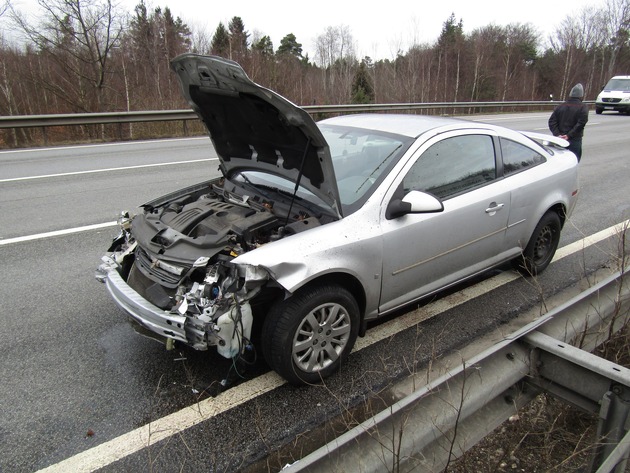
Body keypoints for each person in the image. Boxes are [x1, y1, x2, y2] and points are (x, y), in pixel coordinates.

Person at [548, 83, 589, 162]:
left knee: (559, 162)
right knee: (574, 162)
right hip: (574, 140)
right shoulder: (583, 107)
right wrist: (569, 135)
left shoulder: (560, 106)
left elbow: (552, 121)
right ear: (581, 96)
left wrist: (557, 134)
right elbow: (581, 123)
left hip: (559, 140)